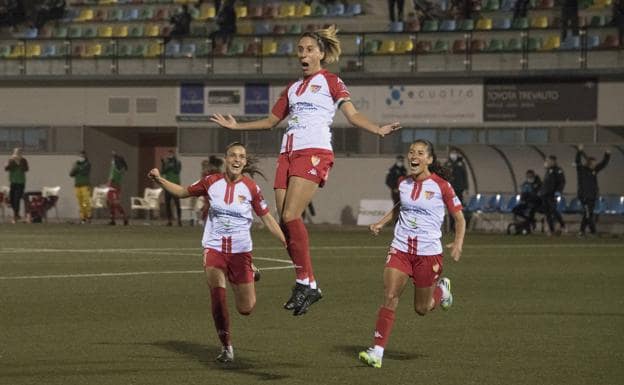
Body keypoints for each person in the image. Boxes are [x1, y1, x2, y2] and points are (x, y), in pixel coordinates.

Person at [210, 25, 401, 316]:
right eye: (300, 49)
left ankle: (303, 282)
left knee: (290, 215)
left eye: (309, 49)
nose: (304, 54)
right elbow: (271, 121)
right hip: (287, 153)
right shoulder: (292, 89)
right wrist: (238, 126)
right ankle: (310, 283)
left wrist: (377, 128)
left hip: (314, 151)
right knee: (285, 223)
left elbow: (352, 114)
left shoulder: (331, 81)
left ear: (321, 54)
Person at [148, 142, 286, 363]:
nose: (237, 159)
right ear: (226, 158)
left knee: (246, 308)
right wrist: (159, 179)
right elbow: (183, 192)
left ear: (245, 161)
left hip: (241, 252)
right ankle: (226, 347)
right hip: (214, 247)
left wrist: (286, 242)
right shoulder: (211, 181)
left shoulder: (251, 188)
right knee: (218, 297)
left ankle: (250, 270)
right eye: (233, 155)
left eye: (241, 156)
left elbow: (267, 218)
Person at [358, 139, 465, 369]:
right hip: (401, 248)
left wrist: (457, 242)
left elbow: (459, 218)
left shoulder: (441, 186)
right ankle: (377, 352)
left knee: (422, 309)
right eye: (411, 152)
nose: (413, 156)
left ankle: (441, 290)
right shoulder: (403, 183)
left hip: (428, 254)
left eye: (420, 153)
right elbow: (400, 206)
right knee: (390, 295)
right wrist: (380, 223)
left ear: (429, 159)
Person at [575, 144, 610, 236]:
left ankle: (586, 231)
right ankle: (588, 231)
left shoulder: (594, 171)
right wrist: (579, 151)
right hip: (584, 196)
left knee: (588, 214)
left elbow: (603, 164)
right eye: (594, 163)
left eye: (595, 163)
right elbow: (577, 161)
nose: (595, 164)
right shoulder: (582, 169)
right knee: (588, 214)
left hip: (592, 196)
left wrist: (607, 154)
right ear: (589, 163)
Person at [540, 155, 566, 235]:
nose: (547, 162)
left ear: (553, 161)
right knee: (547, 213)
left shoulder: (558, 170)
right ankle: (551, 230)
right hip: (545, 194)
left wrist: (558, 191)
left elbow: (562, 182)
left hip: (552, 194)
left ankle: (563, 225)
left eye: (548, 161)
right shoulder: (548, 170)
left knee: (554, 210)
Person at [511, 169, 542, 234]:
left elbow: (538, 194)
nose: (529, 177)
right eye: (528, 175)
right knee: (515, 210)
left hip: (535, 203)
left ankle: (529, 224)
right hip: (526, 202)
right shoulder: (525, 184)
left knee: (530, 211)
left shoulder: (538, 184)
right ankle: (530, 221)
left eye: (530, 175)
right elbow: (523, 194)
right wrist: (522, 200)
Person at [4, 147, 28, 223]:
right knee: (12, 199)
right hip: (13, 181)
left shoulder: (23, 160)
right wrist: (11, 163)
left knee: (17, 199)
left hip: (21, 182)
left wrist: (19, 163)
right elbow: (6, 168)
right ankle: (17, 214)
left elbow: (26, 169)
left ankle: (15, 216)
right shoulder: (11, 160)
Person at [161, 150, 182, 226]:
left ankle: (179, 220)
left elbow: (177, 171)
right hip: (168, 185)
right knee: (167, 204)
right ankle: (169, 220)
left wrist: (173, 164)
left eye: (171, 154)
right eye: (168, 154)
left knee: (177, 203)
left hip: (176, 185)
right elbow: (163, 172)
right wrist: (163, 164)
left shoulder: (178, 162)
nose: (169, 155)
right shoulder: (166, 163)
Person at [69, 150, 92, 224]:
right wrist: (76, 167)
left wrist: (77, 168)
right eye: (79, 156)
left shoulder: (87, 164)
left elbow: (84, 172)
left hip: (85, 185)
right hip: (77, 186)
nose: (80, 157)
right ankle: (83, 218)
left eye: (82, 156)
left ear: (85, 156)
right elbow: (71, 174)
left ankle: (88, 216)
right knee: (80, 202)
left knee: (86, 201)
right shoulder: (76, 164)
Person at [107, 151, 129, 226]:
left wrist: (115, 155)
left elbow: (112, 178)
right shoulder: (118, 166)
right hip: (114, 186)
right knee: (111, 203)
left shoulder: (117, 167)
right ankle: (112, 219)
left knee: (115, 203)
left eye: (113, 159)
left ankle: (124, 217)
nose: (112, 160)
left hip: (114, 186)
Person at [385, 155, 407, 219]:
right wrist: (393, 188)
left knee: (403, 205)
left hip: (402, 191)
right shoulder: (392, 170)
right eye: (400, 160)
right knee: (396, 205)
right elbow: (388, 181)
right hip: (395, 190)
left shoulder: (404, 170)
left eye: (402, 161)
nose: (401, 162)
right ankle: (394, 219)